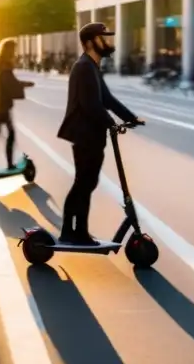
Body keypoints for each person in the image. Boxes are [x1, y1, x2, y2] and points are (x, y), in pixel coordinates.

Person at [56, 22, 142, 245]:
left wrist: (130, 118)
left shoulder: (92, 66)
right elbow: (90, 104)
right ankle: (74, 232)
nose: (107, 42)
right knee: (84, 183)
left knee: (86, 183)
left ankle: (74, 231)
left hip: (92, 134)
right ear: (89, 43)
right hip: (84, 134)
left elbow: (107, 99)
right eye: (103, 38)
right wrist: (110, 122)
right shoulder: (84, 67)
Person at [0, 37, 34, 169]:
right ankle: (9, 164)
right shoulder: (5, 65)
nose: (15, 52)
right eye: (14, 50)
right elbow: (10, 84)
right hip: (1, 105)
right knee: (11, 134)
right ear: (8, 50)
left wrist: (21, 84)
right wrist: (24, 85)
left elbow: (9, 82)